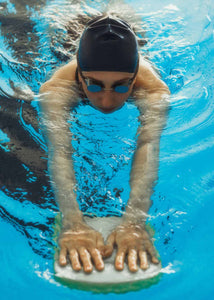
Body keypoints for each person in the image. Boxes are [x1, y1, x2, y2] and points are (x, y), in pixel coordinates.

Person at [39, 15, 170, 274]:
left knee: (126, 18)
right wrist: (72, 221)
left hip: (132, 36)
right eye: (94, 85)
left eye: (122, 88)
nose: (106, 101)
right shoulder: (57, 88)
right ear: (79, 75)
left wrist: (135, 221)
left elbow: (148, 146)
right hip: (69, 35)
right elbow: (60, 151)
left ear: (134, 79)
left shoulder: (154, 90)